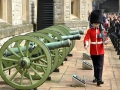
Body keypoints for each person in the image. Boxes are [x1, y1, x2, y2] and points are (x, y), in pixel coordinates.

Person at [83, 9, 109, 86]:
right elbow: (86, 38)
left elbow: (106, 39)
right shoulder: (90, 31)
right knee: (95, 65)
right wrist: (86, 44)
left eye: (97, 23)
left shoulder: (102, 31)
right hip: (93, 51)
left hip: (101, 51)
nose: (96, 24)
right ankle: (96, 77)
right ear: (93, 23)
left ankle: (99, 79)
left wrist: (106, 41)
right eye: (95, 23)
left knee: (100, 65)